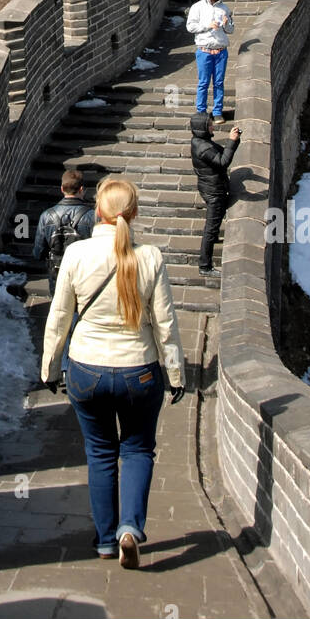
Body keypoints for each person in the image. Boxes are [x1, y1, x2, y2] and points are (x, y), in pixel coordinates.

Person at [41, 176, 186, 565]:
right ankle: (130, 528)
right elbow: (165, 325)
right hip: (139, 370)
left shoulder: (76, 255)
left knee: (100, 453)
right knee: (137, 450)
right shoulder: (150, 257)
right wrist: (176, 375)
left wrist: (50, 369)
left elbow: (59, 318)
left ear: (98, 212)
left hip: (87, 371)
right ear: (133, 213)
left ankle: (105, 540)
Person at [190, 114, 241, 275]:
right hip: (213, 192)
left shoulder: (200, 142)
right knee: (210, 229)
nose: (213, 127)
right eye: (210, 125)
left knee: (215, 222)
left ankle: (213, 238)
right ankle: (205, 266)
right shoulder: (203, 147)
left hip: (210, 188)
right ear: (203, 128)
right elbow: (223, 162)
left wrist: (232, 140)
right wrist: (232, 141)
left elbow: (219, 152)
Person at [32, 168, 95, 297]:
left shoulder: (46, 216)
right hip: (82, 273)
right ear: (81, 189)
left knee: (59, 309)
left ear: (62, 189)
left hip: (57, 272)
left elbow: (38, 252)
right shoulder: (91, 216)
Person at [186, 0, 234, 124]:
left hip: (220, 51)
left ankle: (217, 111)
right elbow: (190, 27)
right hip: (204, 51)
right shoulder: (197, 7)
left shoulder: (225, 8)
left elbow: (231, 29)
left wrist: (226, 25)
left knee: (219, 82)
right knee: (204, 82)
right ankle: (201, 111)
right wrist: (207, 25)